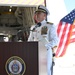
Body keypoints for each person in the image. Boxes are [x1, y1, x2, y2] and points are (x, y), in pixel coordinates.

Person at [28, 5, 58, 75]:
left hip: (46, 53)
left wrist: (45, 47)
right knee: (35, 70)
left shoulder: (50, 25)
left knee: (45, 72)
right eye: (36, 13)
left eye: (38, 13)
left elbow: (55, 40)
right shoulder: (33, 27)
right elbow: (30, 40)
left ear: (44, 15)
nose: (36, 15)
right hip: (34, 52)